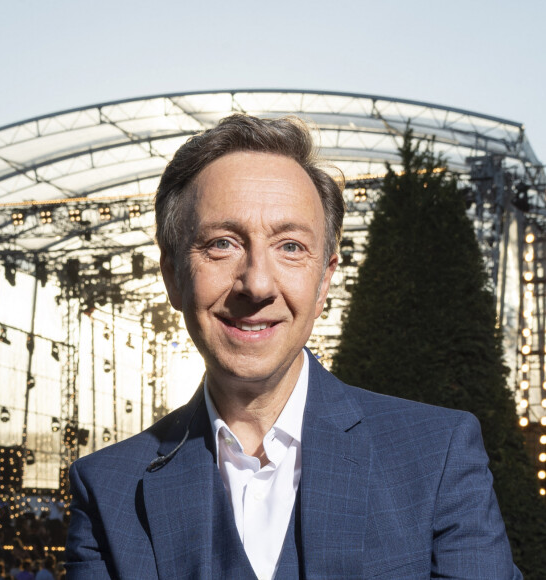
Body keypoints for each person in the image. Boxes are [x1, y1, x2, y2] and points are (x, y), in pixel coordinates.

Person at [65, 114, 522, 579]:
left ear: (324, 281)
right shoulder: (108, 490)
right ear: (172, 276)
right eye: (222, 244)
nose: (258, 284)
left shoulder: (436, 457)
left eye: (290, 247)